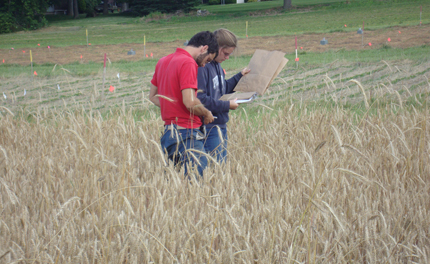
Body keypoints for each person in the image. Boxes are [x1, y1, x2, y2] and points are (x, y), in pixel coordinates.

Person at [149, 31, 218, 177]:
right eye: (208, 59)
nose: (205, 64)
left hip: (169, 134)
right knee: (198, 183)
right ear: (204, 48)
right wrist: (207, 113)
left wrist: (173, 107)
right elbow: (190, 102)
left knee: (179, 188)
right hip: (187, 134)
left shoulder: (163, 61)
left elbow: (153, 97)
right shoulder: (187, 62)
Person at [197, 28, 250, 163]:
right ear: (217, 47)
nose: (227, 58)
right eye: (225, 53)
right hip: (209, 127)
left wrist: (239, 76)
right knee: (216, 168)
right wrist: (227, 105)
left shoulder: (218, 66)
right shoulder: (203, 67)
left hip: (221, 125)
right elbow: (200, 99)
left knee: (221, 168)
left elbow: (222, 89)